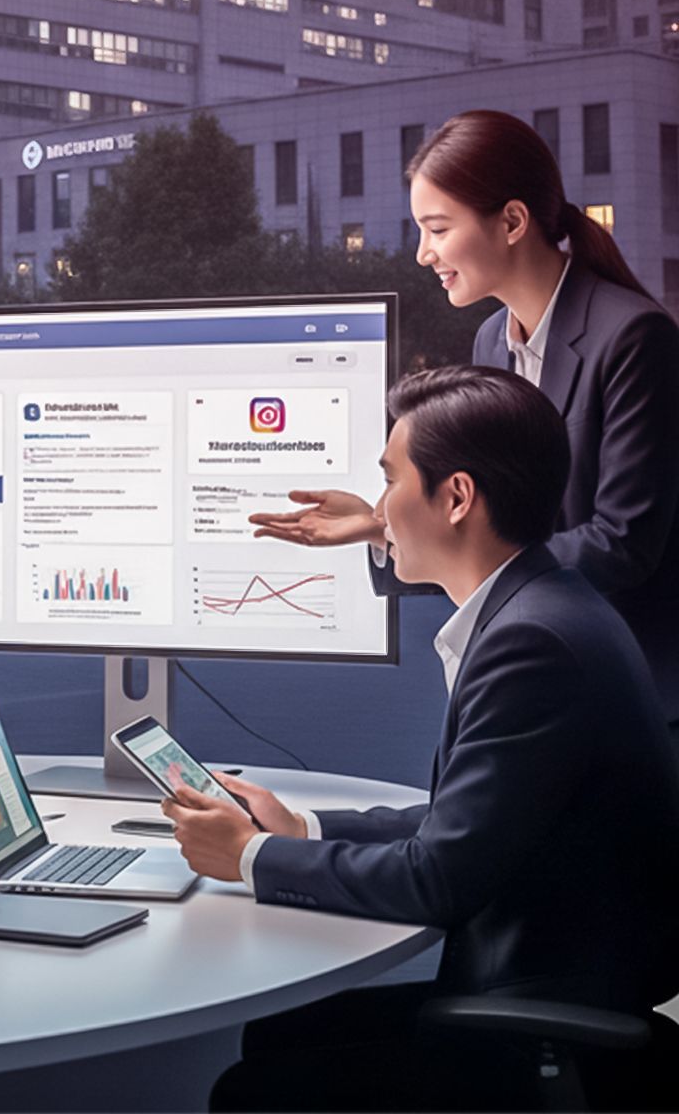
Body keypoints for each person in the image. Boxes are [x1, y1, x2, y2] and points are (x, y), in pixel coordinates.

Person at [165, 366, 679, 1113]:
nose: (380, 509)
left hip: (543, 1023)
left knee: (256, 1089)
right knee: (276, 1034)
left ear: (458, 497)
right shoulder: (546, 605)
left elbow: (439, 879)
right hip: (558, 988)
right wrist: (301, 826)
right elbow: (469, 821)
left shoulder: (530, 643)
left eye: (389, 480)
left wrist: (248, 857)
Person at [249, 109, 679, 730]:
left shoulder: (633, 337)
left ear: (511, 221)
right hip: (541, 674)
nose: (424, 254)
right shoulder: (491, 344)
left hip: (633, 689)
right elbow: (493, 526)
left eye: (438, 229)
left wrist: (449, 552)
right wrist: (382, 528)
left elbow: (623, 543)